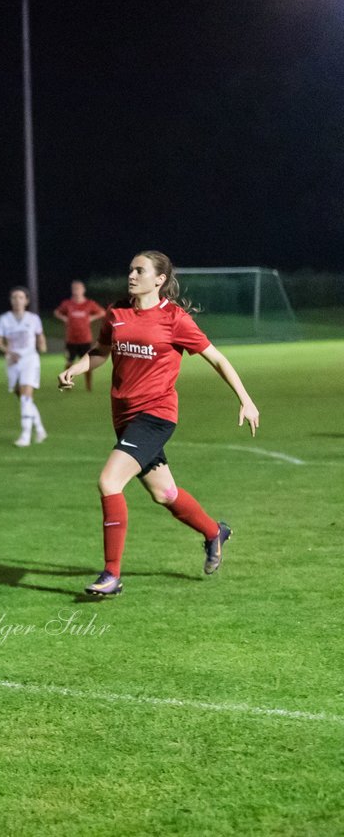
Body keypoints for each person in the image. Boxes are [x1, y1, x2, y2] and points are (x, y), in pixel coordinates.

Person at [58, 251, 260, 597]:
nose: (132, 275)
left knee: (109, 482)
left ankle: (111, 575)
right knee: (164, 493)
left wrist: (245, 398)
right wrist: (74, 369)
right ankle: (214, 532)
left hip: (156, 415)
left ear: (159, 279)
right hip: (123, 416)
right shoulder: (117, 313)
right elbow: (101, 351)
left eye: (140, 270)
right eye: (131, 269)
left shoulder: (174, 319)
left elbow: (217, 359)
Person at [0, 287, 48, 447]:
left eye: (21, 297)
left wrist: (42, 345)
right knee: (24, 398)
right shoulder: (4, 319)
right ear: (11, 301)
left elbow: (40, 335)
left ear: (26, 301)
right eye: (14, 297)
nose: (17, 300)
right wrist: (9, 351)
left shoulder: (33, 319)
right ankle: (40, 429)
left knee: (26, 395)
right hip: (12, 362)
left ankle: (25, 435)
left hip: (30, 360)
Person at [53, 280, 106, 391]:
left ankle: (88, 386)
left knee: (87, 364)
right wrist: (65, 318)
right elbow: (56, 312)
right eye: (74, 289)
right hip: (71, 340)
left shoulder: (89, 304)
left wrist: (91, 318)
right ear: (72, 290)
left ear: (83, 290)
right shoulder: (67, 304)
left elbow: (102, 312)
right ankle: (66, 384)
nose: (77, 291)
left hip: (85, 339)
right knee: (69, 363)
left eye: (79, 288)